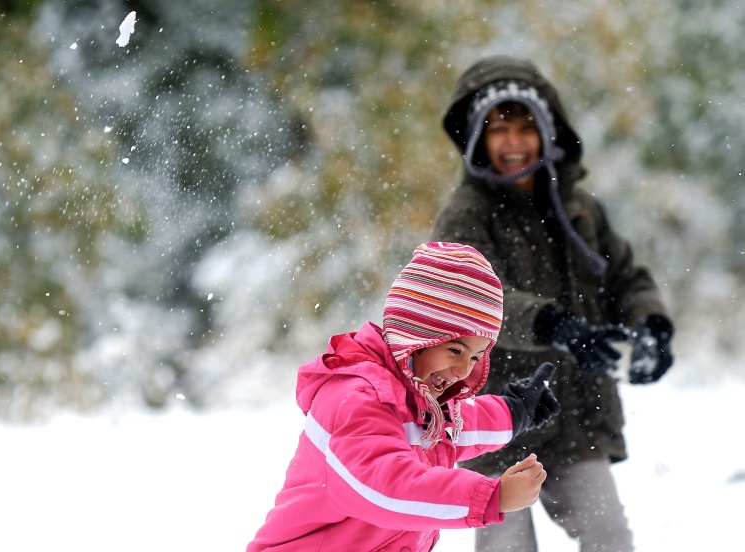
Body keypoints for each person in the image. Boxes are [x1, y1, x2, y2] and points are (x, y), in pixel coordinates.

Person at [432, 56, 675, 552]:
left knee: (610, 539)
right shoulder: (466, 215)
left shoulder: (580, 206)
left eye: (526, 127)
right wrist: (554, 324)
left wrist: (651, 325)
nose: (514, 142)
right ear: (479, 136)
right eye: (499, 129)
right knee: (507, 548)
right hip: (492, 422)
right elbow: (472, 299)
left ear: (548, 131)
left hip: (576, 417)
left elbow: (627, 277)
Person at [247, 242, 561, 551]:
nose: (464, 370)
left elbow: (453, 428)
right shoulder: (359, 396)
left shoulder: (416, 398)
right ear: (414, 336)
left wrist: (515, 409)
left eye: (476, 357)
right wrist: (492, 497)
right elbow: (386, 486)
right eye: (455, 350)